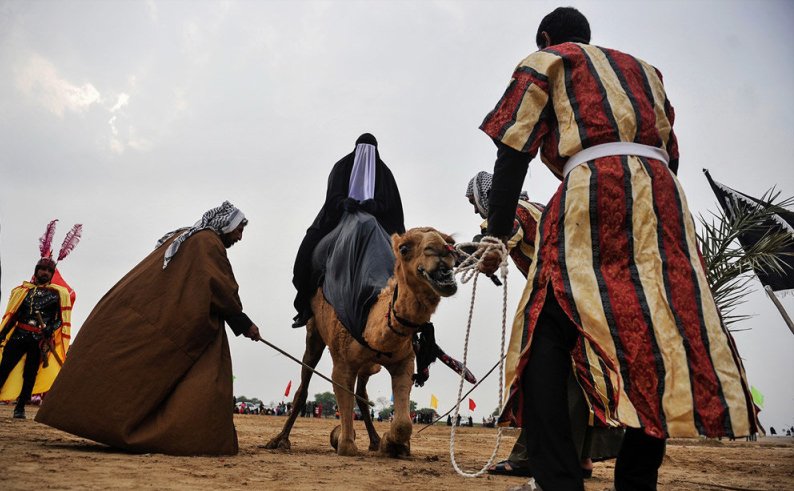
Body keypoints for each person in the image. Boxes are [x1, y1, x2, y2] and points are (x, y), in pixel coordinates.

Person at [478, 7, 758, 490]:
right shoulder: (646, 71)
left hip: (592, 189)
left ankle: (560, 478)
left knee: (546, 328)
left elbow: (513, 146)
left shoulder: (546, 61)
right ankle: (637, 479)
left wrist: (497, 230)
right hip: (662, 198)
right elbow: (671, 152)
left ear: (547, 37)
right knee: (654, 336)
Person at [36, 201, 261, 456]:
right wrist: (245, 324)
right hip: (174, 323)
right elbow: (220, 289)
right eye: (239, 229)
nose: (240, 237)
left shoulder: (189, 236)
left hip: (174, 318)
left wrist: (239, 321)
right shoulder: (207, 243)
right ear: (227, 225)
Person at [467, 172, 622, 479]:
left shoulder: (514, 212)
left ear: (488, 197)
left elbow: (492, 241)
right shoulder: (536, 207)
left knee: (540, 373)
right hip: (587, 296)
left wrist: (457, 256)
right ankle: (581, 457)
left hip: (559, 300)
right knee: (579, 377)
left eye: (474, 202)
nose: (474, 209)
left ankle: (528, 457)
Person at [291, 133, 405, 328]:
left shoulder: (384, 173)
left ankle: (409, 318)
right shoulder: (342, 166)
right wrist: (343, 202)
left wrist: (374, 206)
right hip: (338, 218)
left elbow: (391, 204)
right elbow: (332, 196)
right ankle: (305, 307)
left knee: (406, 261)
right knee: (305, 253)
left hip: (376, 224)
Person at [0, 221, 79, 419]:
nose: (44, 272)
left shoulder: (57, 294)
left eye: (47, 270)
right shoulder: (23, 292)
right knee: (3, 369)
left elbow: (60, 320)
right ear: (36, 271)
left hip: (38, 341)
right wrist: (2, 333)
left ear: (52, 274)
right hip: (18, 336)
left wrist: (50, 329)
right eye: (41, 269)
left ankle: (20, 408)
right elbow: (14, 315)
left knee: (29, 375)